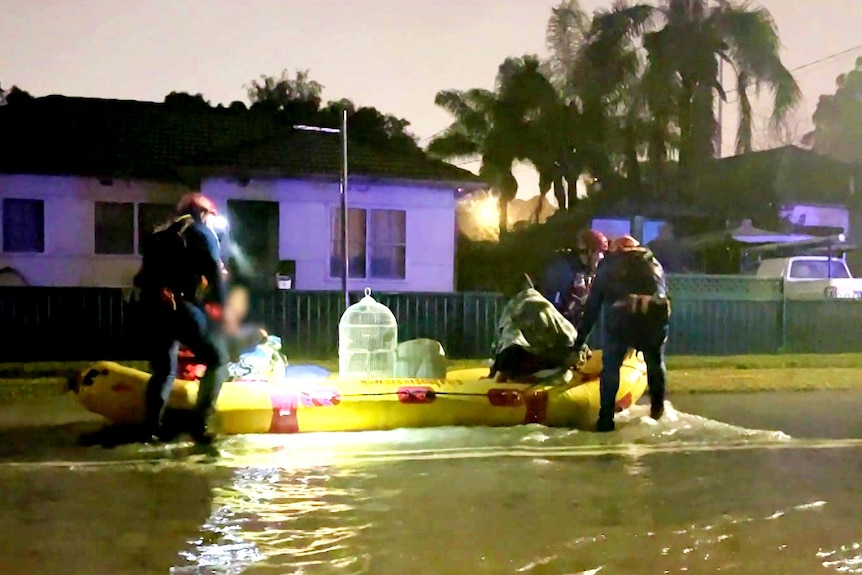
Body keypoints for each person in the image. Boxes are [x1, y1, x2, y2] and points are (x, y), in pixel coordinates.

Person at [133, 192, 229, 444]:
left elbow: (144, 275)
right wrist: (221, 304)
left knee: (164, 369)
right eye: (211, 216)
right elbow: (213, 272)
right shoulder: (200, 232)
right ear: (202, 213)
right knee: (218, 359)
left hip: (152, 306)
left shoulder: (159, 233)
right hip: (181, 305)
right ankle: (200, 425)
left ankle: (150, 429)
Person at [572, 235, 671, 432]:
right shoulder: (654, 263)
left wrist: (579, 342)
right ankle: (658, 411)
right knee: (655, 363)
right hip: (653, 322)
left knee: (611, 368)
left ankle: (606, 419)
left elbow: (592, 308)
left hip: (621, 322)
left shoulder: (609, 266)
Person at [540, 229, 609, 319]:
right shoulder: (562, 271)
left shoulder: (585, 272)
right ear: (588, 252)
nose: (600, 260)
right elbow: (553, 309)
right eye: (598, 253)